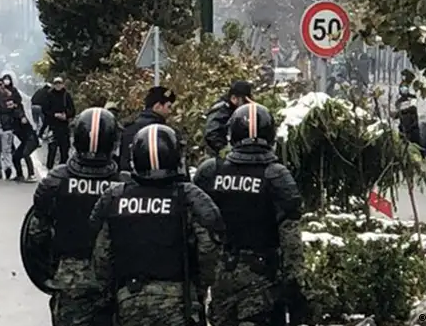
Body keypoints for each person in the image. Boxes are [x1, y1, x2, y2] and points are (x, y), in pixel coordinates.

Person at [90, 124, 223, 326]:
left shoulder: (116, 196)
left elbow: (102, 257)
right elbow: (209, 250)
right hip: (179, 301)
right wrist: (199, 288)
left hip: (130, 300)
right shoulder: (189, 196)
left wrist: (109, 295)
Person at [193, 103, 302, 326]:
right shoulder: (276, 175)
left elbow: (196, 230)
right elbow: (291, 240)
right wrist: (296, 291)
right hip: (263, 279)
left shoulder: (211, 171)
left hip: (222, 274)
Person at [26, 108, 128, 326]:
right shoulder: (126, 186)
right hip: (118, 281)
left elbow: (36, 236)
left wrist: (51, 273)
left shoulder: (55, 181)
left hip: (70, 280)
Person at [118, 87, 177, 172]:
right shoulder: (163, 133)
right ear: (157, 106)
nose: (170, 111)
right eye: (169, 107)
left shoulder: (129, 128)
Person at [203, 81, 253, 157]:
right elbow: (212, 134)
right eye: (244, 101)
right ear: (234, 98)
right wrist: (225, 151)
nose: (247, 104)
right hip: (218, 156)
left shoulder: (236, 110)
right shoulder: (221, 110)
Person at [43, 77, 77, 168]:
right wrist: (54, 115)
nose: (58, 86)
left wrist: (66, 115)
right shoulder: (49, 95)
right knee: (52, 149)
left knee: (64, 150)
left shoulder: (66, 95)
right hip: (53, 126)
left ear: (62, 84)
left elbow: (73, 110)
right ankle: (49, 168)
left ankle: (63, 168)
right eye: (56, 84)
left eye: (59, 84)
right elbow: (45, 110)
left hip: (64, 126)